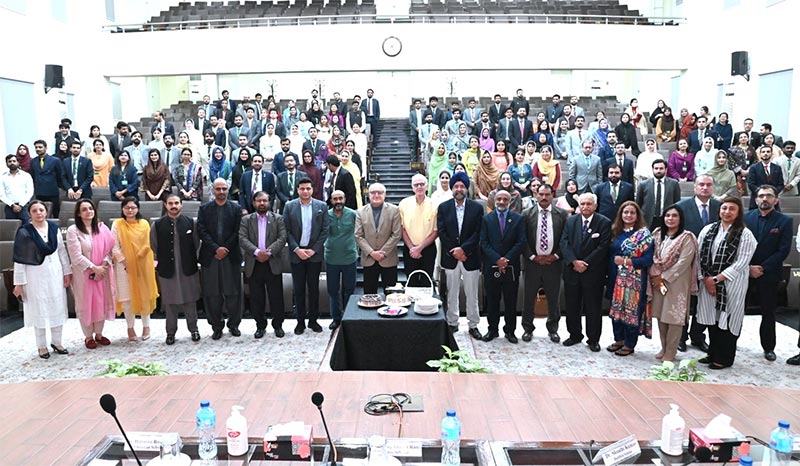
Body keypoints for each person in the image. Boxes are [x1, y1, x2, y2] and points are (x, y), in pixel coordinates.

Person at [696, 196, 756, 369]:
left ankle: (724, 358)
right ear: (719, 210)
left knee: (728, 321)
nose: (727, 212)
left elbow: (741, 263)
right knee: (712, 320)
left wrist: (716, 279)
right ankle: (712, 353)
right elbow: (698, 256)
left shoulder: (745, 234)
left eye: (731, 209)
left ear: (738, 213)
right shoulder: (708, 229)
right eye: (724, 208)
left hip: (731, 285)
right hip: (708, 283)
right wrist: (705, 279)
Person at [12, 201, 72, 358]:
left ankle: (57, 342)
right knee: (38, 309)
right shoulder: (24, 232)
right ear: (29, 213)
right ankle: (41, 346)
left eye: (41, 210)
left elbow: (62, 252)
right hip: (34, 276)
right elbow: (19, 259)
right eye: (34, 210)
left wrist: (67, 272)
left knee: (57, 306)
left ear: (46, 212)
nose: (38, 213)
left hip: (55, 274)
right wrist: (19, 283)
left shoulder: (54, 229)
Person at [744, 185, 792, 362]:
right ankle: (730, 344)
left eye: (769, 196)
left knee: (768, 312)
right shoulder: (745, 218)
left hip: (769, 273)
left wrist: (762, 268)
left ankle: (769, 348)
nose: (765, 199)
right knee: (736, 311)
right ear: (756, 199)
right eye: (761, 196)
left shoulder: (784, 221)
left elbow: (783, 250)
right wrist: (748, 267)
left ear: (776, 200)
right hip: (745, 272)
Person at [560, 192, 612, 352]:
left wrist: (586, 263)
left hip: (593, 273)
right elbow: (564, 242)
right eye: (582, 204)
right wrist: (574, 261)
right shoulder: (571, 221)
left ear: (595, 206)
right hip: (572, 271)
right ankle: (575, 335)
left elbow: (603, 246)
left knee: (593, 308)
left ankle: (593, 339)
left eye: (589, 204)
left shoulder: (604, 222)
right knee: (572, 305)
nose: (585, 207)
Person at [674, 174, 720, 353]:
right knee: (685, 302)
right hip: (687, 263)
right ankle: (681, 337)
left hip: (712, 264)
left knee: (705, 302)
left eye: (709, 185)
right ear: (694, 187)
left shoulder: (719, 207)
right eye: (701, 184)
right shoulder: (681, 207)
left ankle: (698, 336)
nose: (705, 188)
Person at [436, 172, 484, 338]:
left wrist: (464, 250)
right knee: (452, 292)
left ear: (466, 188)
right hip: (451, 258)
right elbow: (442, 232)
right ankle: (452, 322)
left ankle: (473, 324)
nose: (459, 189)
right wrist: (455, 251)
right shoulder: (443, 207)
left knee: (472, 294)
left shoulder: (477, 207)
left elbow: (478, 232)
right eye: (456, 186)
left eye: (462, 186)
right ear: (452, 189)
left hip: (470, 257)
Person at [649, 204, 698, 362]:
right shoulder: (657, 234)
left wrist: (663, 277)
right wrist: (655, 275)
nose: (670, 218)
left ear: (680, 218)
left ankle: (671, 351)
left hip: (676, 283)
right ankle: (664, 347)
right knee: (661, 314)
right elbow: (650, 255)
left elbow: (683, 262)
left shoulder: (686, 237)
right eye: (667, 215)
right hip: (659, 284)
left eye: (674, 216)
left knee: (673, 317)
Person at [605, 201, 654, 356]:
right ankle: (618, 339)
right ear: (621, 214)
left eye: (632, 212)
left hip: (635, 281)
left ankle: (629, 343)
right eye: (625, 212)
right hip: (615, 277)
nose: (628, 215)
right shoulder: (614, 231)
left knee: (632, 311)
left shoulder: (644, 235)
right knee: (616, 310)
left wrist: (626, 261)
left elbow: (648, 260)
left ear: (637, 215)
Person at [151, 194, 201, 344]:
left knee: (190, 301)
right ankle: (170, 333)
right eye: (170, 203)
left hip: (187, 267)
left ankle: (194, 330)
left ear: (181, 205)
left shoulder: (191, 223)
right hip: (168, 269)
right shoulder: (158, 225)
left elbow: (196, 244)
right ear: (165, 205)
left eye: (177, 203)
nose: (174, 206)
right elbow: (154, 245)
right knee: (170, 302)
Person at [66, 199, 116, 350]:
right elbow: (76, 256)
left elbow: (109, 250)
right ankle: (88, 336)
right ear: (78, 214)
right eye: (84, 209)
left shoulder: (102, 228)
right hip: (84, 273)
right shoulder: (73, 230)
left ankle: (99, 334)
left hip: (102, 272)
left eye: (91, 208)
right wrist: (94, 268)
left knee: (100, 301)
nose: (89, 211)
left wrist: (104, 265)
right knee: (86, 302)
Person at [197, 179, 243, 340]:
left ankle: (234, 324)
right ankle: (216, 326)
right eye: (218, 189)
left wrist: (225, 249)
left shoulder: (236, 208)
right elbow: (201, 230)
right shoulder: (204, 209)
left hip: (231, 256)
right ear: (213, 190)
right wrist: (216, 248)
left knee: (233, 293)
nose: (221, 191)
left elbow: (238, 231)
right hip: (211, 257)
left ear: (228, 190)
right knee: (212, 294)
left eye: (224, 189)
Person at [522, 183, 567, 343]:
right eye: (541, 194)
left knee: (554, 298)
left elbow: (565, 239)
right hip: (532, 263)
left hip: (553, 263)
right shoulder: (527, 214)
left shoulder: (561, 214)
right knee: (528, 297)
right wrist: (533, 257)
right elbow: (523, 239)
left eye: (547, 194)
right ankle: (528, 328)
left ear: (553, 196)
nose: (544, 197)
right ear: (536, 195)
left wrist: (555, 256)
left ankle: (553, 329)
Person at [239, 191, 287, 339]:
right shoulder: (246, 220)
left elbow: (282, 237)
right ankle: (260, 326)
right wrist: (257, 252)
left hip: (272, 262)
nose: (262, 203)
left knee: (276, 297)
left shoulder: (278, 219)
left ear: (269, 202)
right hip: (254, 263)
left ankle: (278, 326)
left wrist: (269, 252)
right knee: (256, 298)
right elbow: (242, 238)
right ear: (254, 203)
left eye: (264, 201)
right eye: (259, 201)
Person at [284, 178, 330, 334]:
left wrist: (314, 250)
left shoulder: (321, 206)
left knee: (313, 289)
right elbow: (286, 230)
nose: (305, 191)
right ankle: (300, 322)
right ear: (297, 190)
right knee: (298, 289)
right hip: (296, 254)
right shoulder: (289, 206)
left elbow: (325, 231)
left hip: (314, 254)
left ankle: (313, 321)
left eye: (308, 188)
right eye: (302, 189)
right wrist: (297, 249)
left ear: (312, 189)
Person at [479, 190, 526, 343]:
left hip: (511, 267)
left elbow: (521, 242)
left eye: (505, 199)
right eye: (499, 199)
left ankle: (510, 331)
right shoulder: (486, 219)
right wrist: (497, 259)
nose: (501, 202)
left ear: (510, 201)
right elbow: (484, 242)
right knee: (492, 300)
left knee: (511, 301)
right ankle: (492, 330)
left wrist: (506, 259)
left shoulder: (518, 219)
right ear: (494, 200)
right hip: (491, 266)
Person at [111, 197, 158, 341]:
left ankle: (146, 326)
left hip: (142, 265)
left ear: (138, 208)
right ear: (122, 209)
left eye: (133, 207)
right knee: (126, 299)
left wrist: (138, 258)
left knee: (144, 296)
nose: (130, 210)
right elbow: (114, 245)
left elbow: (148, 243)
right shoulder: (117, 224)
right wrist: (125, 261)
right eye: (127, 208)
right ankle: (130, 328)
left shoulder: (144, 224)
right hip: (123, 266)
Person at [355, 183, 401, 294]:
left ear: (384, 195)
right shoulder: (360, 212)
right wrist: (371, 253)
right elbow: (358, 235)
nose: (376, 195)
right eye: (373, 192)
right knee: (369, 294)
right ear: (368, 194)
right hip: (369, 259)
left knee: (391, 295)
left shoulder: (394, 210)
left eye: (379, 192)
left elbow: (396, 234)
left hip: (388, 258)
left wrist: (382, 252)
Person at [325, 189, 358, 330]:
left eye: (340, 198)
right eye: (335, 199)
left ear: (344, 199)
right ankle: (336, 318)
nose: (338, 201)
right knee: (333, 290)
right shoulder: (326, 215)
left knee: (349, 289)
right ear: (331, 201)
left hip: (349, 257)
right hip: (331, 257)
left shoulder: (353, 214)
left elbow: (359, 232)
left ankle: (348, 317)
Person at [399, 174, 438, 286]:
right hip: (409, 250)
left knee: (427, 283)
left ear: (426, 186)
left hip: (428, 249)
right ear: (412, 187)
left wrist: (420, 248)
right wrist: (412, 248)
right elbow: (402, 228)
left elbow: (436, 231)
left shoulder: (434, 205)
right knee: (411, 283)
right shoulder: (404, 204)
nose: (419, 187)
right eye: (416, 185)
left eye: (422, 184)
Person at [636, 159, 681, 231]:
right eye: (656, 168)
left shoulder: (674, 184)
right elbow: (638, 204)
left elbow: (677, 203)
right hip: (648, 220)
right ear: (652, 169)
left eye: (661, 168)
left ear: (666, 169)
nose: (658, 171)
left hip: (667, 219)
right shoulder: (643, 185)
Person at [1, 154, 34, 222]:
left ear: (18, 162)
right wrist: (12, 205)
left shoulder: (26, 175)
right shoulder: (2, 177)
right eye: (9, 161)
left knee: (27, 228)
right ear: (7, 164)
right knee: (11, 229)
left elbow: (30, 192)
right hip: (9, 207)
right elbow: (1, 194)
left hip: (24, 207)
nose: (12, 163)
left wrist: (21, 205)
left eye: (14, 161)